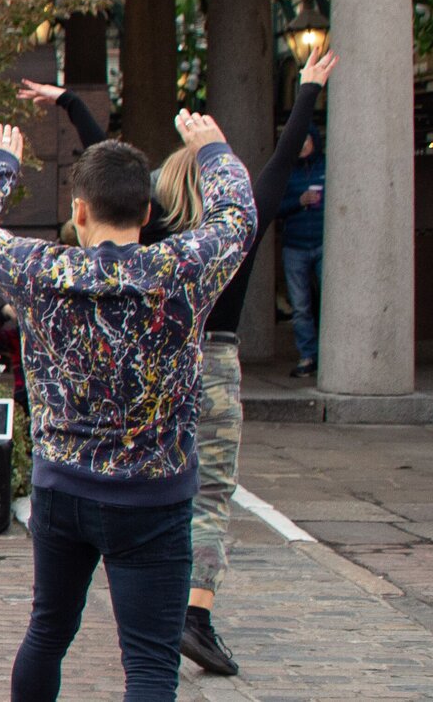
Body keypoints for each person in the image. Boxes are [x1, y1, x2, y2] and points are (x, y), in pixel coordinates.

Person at [0, 109, 254, 702]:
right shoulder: (180, 269)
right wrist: (215, 151)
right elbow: (238, 218)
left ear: (79, 211)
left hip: (63, 488)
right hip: (153, 496)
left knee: (47, 633)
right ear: (147, 214)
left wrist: (1, 164)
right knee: (148, 662)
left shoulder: (43, 271)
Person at [140, 48, 332, 677]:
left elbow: (114, 175)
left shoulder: (155, 233)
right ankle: (194, 614)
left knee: (149, 483)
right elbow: (280, 165)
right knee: (211, 494)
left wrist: (70, 104)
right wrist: (305, 90)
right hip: (215, 366)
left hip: (159, 365)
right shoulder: (238, 230)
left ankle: (150, 605)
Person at [277, 129, 324, 379]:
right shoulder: (286, 172)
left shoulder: (327, 166)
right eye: (299, 141)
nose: (303, 145)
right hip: (294, 245)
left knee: (329, 303)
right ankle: (308, 355)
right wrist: (299, 201)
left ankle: (329, 354)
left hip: (323, 242)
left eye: (306, 140)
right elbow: (276, 207)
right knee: (300, 306)